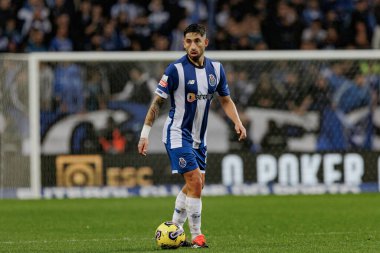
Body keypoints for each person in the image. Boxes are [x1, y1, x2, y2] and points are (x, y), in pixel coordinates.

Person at [137, 23, 247, 248]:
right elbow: (157, 103)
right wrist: (144, 134)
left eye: (197, 41)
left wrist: (237, 121)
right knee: (195, 181)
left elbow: (225, 99)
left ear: (205, 42)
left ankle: (174, 230)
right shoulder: (174, 70)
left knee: (196, 184)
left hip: (199, 138)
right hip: (177, 134)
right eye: (188, 41)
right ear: (183, 43)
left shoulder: (216, 69)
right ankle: (197, 236)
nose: (193, 46)